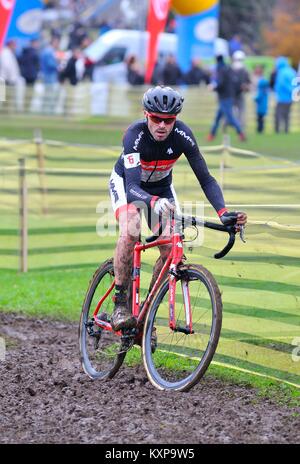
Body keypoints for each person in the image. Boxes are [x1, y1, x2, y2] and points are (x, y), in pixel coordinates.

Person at [108, 85, 247, 331]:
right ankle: (120, 302)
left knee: (171, 248)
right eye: (156, 119)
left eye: (169, 120)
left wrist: (223, 213)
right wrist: (152, 202)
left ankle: (146, 314)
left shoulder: (182, 135)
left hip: (162, 189)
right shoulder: (134, 135)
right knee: (131, 228)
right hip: (128, 184)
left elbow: (206, 178)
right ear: (145, 114)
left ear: (176, 119)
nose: (162, 125)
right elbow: (131, 187)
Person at [207, 55, 246, 142]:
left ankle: (241, 133)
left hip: (224, 97)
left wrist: (213, 88)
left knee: (230, 118)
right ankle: (211, 135)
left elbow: (220, 83)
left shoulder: (221, 69)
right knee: (217, 118)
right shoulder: (227, 68)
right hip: (228, 96)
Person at [273, 56, 297, 134]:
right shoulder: (292, 71)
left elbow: (281, 84)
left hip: (282, 98)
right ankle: (286, 130)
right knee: (286, 115)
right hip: (290, 98)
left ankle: (277, 130)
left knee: (278, 115)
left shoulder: (282, 72)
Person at [230, 50, 251, 131]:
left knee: (231, 111)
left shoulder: (231, 69)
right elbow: (248, 82)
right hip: (239, 93)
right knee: (241, 111)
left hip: (233, 94)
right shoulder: (244, 69)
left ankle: (234, 125)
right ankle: (240, 126)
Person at [253, 66, 269, 133]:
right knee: (261, 118)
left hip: (260, 105)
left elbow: (259, 96)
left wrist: (255, 98)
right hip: (263, 104)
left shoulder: (261, 87)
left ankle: (260, 130)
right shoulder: (264, 85)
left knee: (260, 118)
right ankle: (261, 129)